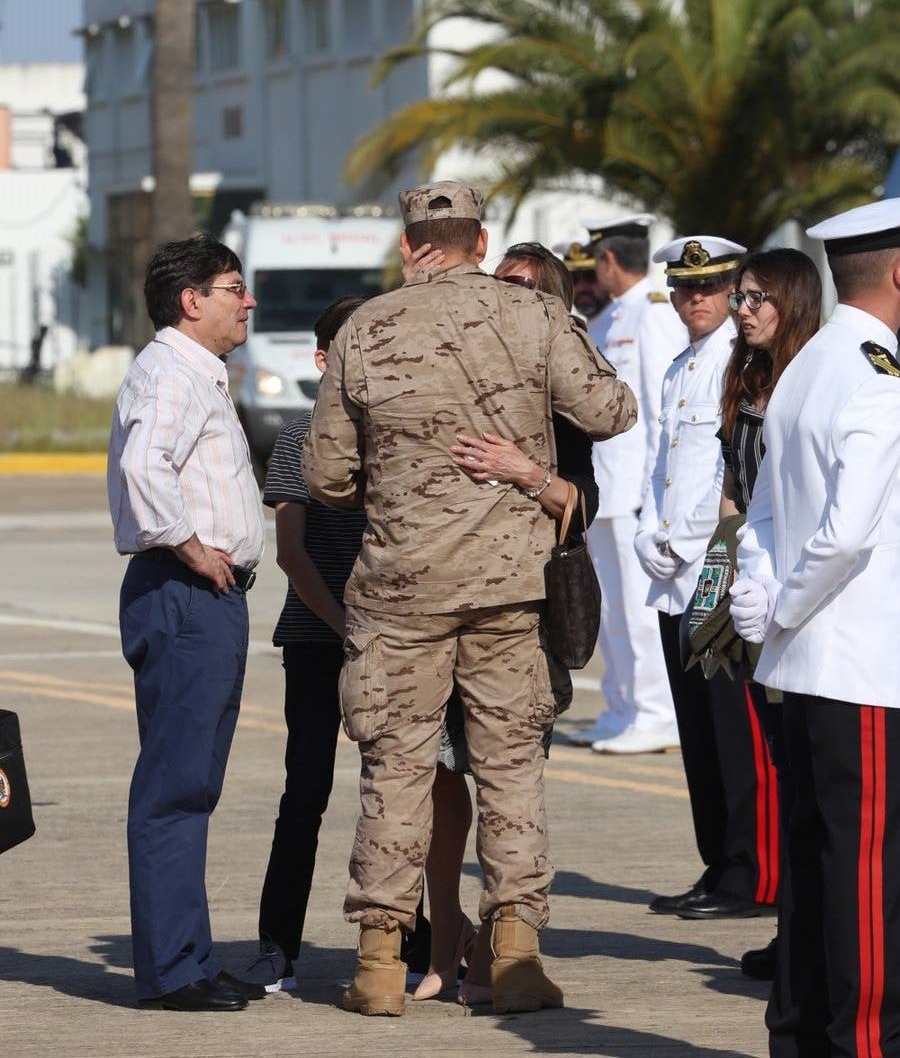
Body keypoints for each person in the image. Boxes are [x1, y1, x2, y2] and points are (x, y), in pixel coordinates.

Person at [303, 181, 637, 1018]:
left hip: (399, 594)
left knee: (395, 771)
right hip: (506, 590)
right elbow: (612, 409)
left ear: (409, 241)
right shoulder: (533, 316)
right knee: (511, 772)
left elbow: (325, 476)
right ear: (480, 243)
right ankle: (516, 954)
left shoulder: (365, 329)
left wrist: (398, 485)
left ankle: (381, 964)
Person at [400, 240, 600, 1005]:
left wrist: (528, 475)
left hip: (524, 614)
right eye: (496, 287)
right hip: (442, 607)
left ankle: (508, 945)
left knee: (510, 784)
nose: (501, 303)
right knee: (443, 783)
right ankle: (445, 941)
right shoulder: (451, 368)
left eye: (519, 290)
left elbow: (584, 505)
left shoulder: (559, 385)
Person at [731, 198, 900, 1058]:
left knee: (812, 863)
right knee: (868, 870)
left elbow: (762, 507)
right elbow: (848, 531)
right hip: (860, 667)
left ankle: (798, 1037)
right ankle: (866, 1043)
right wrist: (787, 604)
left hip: (797, 667)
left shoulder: (809, 363)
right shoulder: (877, 369)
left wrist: (762, 602)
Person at [107, 234, 266, 1012]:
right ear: (191, 300)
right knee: (175, 788)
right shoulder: (170, 372)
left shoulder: (196, 372)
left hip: (202, 594)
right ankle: (173, 971)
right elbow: (145, 469)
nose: (249, 301)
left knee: (192, 784)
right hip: (185, 593)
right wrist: (192, 546)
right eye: (235, 286)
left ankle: (190, 956)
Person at [635, 235, 779, 920]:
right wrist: (647, 535)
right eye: (686, 288)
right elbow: (657, 464)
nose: (697, 299)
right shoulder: (676, 368)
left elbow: (733, 474)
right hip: (671, 572)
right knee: (698, 731)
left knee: (736, 730)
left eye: (712, 287)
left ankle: (754, 873)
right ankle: (720, 861)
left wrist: (685, 539)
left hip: (719, 564)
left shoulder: (745, 368)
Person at [242, 296, 367, 993]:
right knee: (307, 791)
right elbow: (291, 553)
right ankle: (276, 944)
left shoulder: (402, 433)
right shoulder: (298, 437)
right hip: (319, 637)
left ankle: (410, 941)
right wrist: (346, 626)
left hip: (397, 643)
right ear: (323, 359)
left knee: (398, 798)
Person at [717, 248, 822, 980]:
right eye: (740, 297)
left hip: (799, 589)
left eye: (758, 297)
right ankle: (795, 931)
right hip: (747, 573)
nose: (744, 309)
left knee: (808, 771)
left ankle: (809, 937)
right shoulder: (746, 376)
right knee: (778, 761)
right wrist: (717, 582)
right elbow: (734, 481)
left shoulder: (813, 377)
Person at [577, 214, 686, 754]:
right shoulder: (612, 317)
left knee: (641, 613)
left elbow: (665, 411)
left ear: (610, 261)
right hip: (606, 490)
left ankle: (657, 714)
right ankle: (622, 708)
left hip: (635, 492)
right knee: (613, 612)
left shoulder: (653, 314)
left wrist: (653, 495)